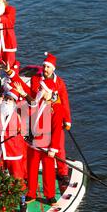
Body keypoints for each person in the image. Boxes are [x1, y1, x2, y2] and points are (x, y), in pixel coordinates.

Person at [29, 53, 72, 189]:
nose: (45, 69)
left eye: (48, 67)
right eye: (44, 66)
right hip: (40, 117)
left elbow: (64, 102)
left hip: (55, 117)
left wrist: (67, 120)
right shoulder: (36, 80)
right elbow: (34, 97)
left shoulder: (60, 83)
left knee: (59, 147)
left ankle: (63, 173)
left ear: (53, 69)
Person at [25, 79, 64, 206]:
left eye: (41, 89)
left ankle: (50, 195)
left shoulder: (56, 108)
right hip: (34, 143)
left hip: (47, 146)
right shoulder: (39, 102)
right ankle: (31, 193)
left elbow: (57, 129)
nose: (39, 90)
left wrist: (53, 148)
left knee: (48, 170)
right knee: (31, 169)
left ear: (48, 91)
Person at [0, 88, 26, 186]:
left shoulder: (19, 113)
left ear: (15, 102)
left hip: (13, 150)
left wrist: (24, 94)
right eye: (6, 98)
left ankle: (20, 197)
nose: (7, 101)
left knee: (17, 176)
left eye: (10, 99)